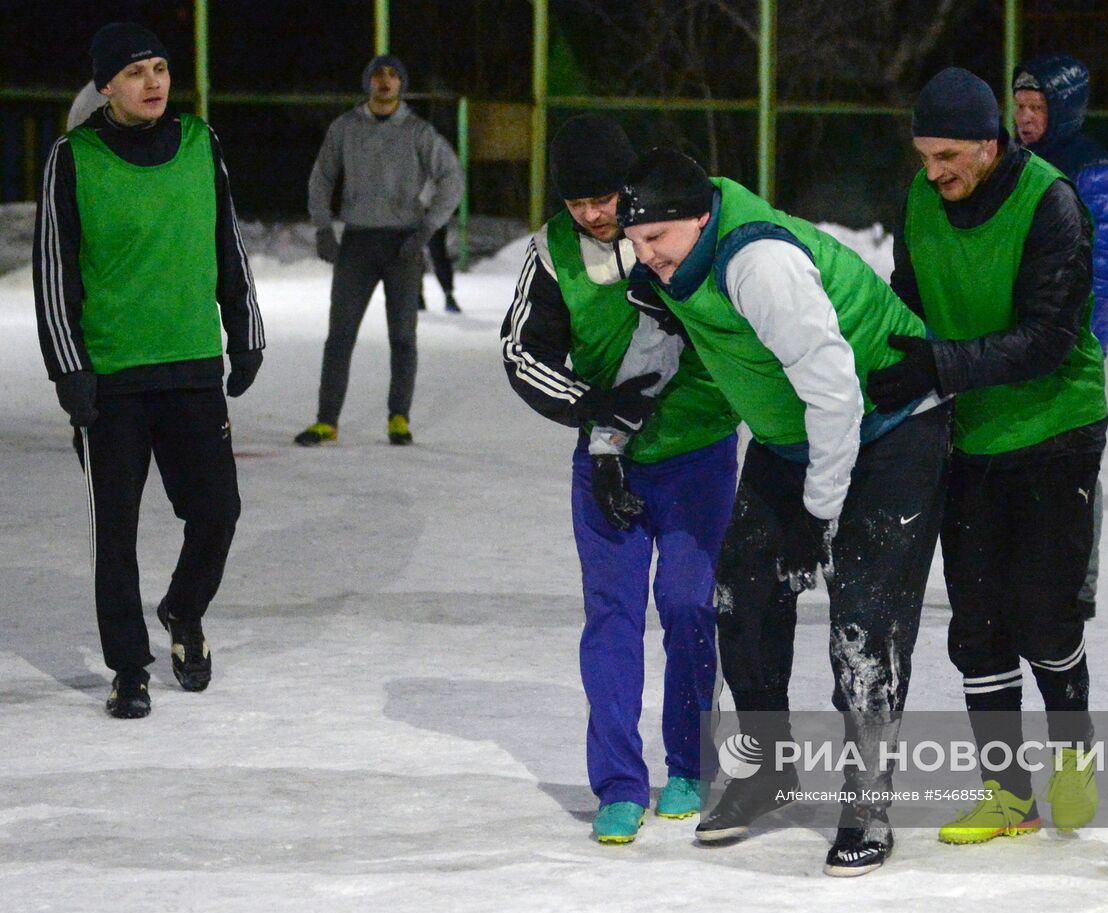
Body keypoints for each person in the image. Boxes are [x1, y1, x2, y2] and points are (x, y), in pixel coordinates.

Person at [616, 147, 952, 877]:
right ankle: (769, 767)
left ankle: (868, 803)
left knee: (864, 618)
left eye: (659, 240)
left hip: (891, 425)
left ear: (700, 218)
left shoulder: (758, 264)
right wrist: (613, 436)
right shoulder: (670, 261)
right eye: (635, 244)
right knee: (741, 590)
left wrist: (816, 513)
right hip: (794, 433)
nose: (648, 260)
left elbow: (836, 391)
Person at [872, 67, 1106, 844]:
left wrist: (939, 363)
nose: (933, 173)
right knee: (975, 619)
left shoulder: (1053, 203)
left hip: (1055, 428)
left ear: (988, 143)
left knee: (1044, 607)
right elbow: (906, 297)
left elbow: (1048, 339)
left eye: (947, 157)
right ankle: (1008, 793)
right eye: (922, 158)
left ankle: (1074, 748)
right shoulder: (920, 198)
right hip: (968, 430)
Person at [500, 116, 740, 845]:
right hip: (605, 459)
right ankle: (618, 782)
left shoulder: (674, 227)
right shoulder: (551, 255)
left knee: (691, 604)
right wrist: (591, 411)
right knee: (612, 615)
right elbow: (519, 353)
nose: (596, 215)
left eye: (605, 198)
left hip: (698, 450)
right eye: (579, 204)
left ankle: (692, 764)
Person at [33, 22, 265, 718]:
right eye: (135, 72)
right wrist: (69, 368)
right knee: (117, 530)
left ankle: (183, 611)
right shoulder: (72, 159)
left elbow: (228, 240)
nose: (154, 81)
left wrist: (244, 329)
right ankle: (129, 665)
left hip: (192, 365)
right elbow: (54, 273)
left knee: (217, 512)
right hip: (111, 378)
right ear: (106, 85)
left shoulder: (202, 145)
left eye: (161, 67)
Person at [295, 54, 464, 447]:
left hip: (402, 244)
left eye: (392, 75)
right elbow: (321, 177)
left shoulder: (418, 132)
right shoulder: (346, 128)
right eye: (377, 74)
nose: (385, 81)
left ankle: (399, 418)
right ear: (367, 83)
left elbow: (451, 178)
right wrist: (323, 227)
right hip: (358, 242)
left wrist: (426, 228)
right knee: (340, 335)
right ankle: (326, 422)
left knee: (403, 336)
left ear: (402, 84)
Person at [1012, 53, 1108, 622]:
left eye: (1037, 107)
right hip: (1019, 334)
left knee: (1075, 458)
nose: (1026, 118)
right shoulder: (1012, 162)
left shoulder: (1094, 171)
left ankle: (1080, 580)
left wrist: (1062, 322)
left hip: (1075, 340)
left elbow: (1103, 270)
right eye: (1020, 106)